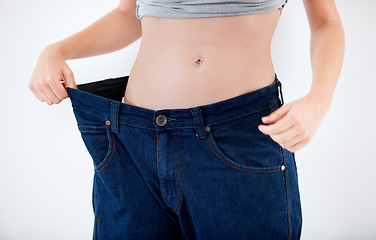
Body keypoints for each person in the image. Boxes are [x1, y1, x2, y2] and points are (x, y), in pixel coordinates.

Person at [28, 0, 345, 239]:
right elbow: (130, 13)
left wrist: (320, 98)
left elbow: (326, 22)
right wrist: (58, 50)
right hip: (134, 143)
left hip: (237, 138)